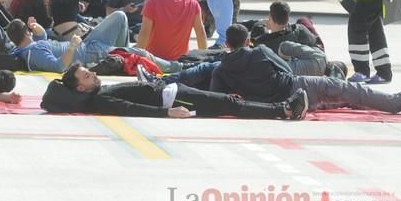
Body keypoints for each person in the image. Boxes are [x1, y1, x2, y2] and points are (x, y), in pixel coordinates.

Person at [210, 24, 401, 115]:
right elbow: (286, 70)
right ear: (247, 41)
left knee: (342, 98)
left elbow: (217, 99)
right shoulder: (259, 52)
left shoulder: (221, 71)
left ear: (226, 44)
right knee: (350, 90)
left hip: (278, 103)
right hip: (297, 86)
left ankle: (392, 101)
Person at [41, 63, 308, 120]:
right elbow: (131, 109)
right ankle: (285, 110)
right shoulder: (98, 100)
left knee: (228, 99)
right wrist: (167, 113)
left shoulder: (93, 93)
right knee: (229, 103)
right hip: (173, 98)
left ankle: (282, 106)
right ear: (80, 87)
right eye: (88, 76)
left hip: (171, 89)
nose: (94, 74)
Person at [8, 13, 184, 74]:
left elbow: (42, 37)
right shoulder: (34, 52)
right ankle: (178, 67)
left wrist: (35, 26)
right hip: (89, 53)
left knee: (120, 17)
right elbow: (58, 67)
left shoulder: (30, 47)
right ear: (26, 34)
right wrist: (72, 46)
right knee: (142, 54)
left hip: (89, 44)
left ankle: (123, 57)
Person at [136, 0, 207, 60]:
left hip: (154, 59)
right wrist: (205, 58)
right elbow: (200, 33)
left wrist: (137, 58)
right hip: (180, 60)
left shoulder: (152, 2)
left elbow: (144, 33)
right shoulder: (192, 3)